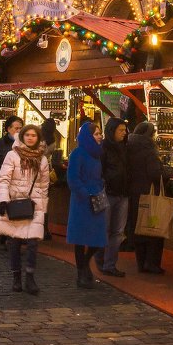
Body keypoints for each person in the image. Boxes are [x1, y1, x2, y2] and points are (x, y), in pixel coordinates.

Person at [0, 123, 49, 295]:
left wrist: (43, 207)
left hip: (34, 206)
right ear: (22, 137)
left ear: (38, 138)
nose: (30, 138)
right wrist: (3, 200)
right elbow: (3, 179)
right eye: (27, 135)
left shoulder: (42, 158)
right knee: (15, 243)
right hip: (15, 204)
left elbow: (44, 184)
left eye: (34, 135)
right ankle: (16, 278)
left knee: (33, 242)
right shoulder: (12, 155)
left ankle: (30, 277)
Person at [67, 121, 108, 289]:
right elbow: (73, 178)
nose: (99, 137)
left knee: (97, 239)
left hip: (97, 198)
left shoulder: (97, 154)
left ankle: (84, 264)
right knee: (80, 238)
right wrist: (85, 192)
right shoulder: (78, 154)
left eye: (99, 134)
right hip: (82, 201)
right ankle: (81, 272)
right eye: (96, 134)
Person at [126, 121, 170, 274]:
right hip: (150, 197)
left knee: (138, 228)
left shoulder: (129, 147)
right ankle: (152, 263)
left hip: (134, 194)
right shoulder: (149, 150)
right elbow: (155, 173)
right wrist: (165, 174)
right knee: (153, 228)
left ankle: (141, 262)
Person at [96, 117, 129, 277]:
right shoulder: (103, 149)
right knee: (105, 229)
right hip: (108, 193)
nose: (124, 133)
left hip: (123, 194)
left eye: (125, 130)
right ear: (112, 131)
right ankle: (101, 259)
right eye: (121, 130)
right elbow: (99, 171)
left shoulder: (125, 148)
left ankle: (110, 264)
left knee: (118, 231)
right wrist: (104, 184)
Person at [0, 115, 23, 238]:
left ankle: (13, 238)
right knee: (3, 211)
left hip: (18, 183)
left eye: (20, 128)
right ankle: (3, 236)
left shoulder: (23, 145)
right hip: (2, 183)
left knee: (15, 212)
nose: (18, 131)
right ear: (8, 129)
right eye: (16, 128)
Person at [40, 118, 65, 241]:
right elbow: (51, 158)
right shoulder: (53, 140)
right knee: (44, 204)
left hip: (37, 172)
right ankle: (44, 230)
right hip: (45, 172)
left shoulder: (39, 137)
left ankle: (38, 229)